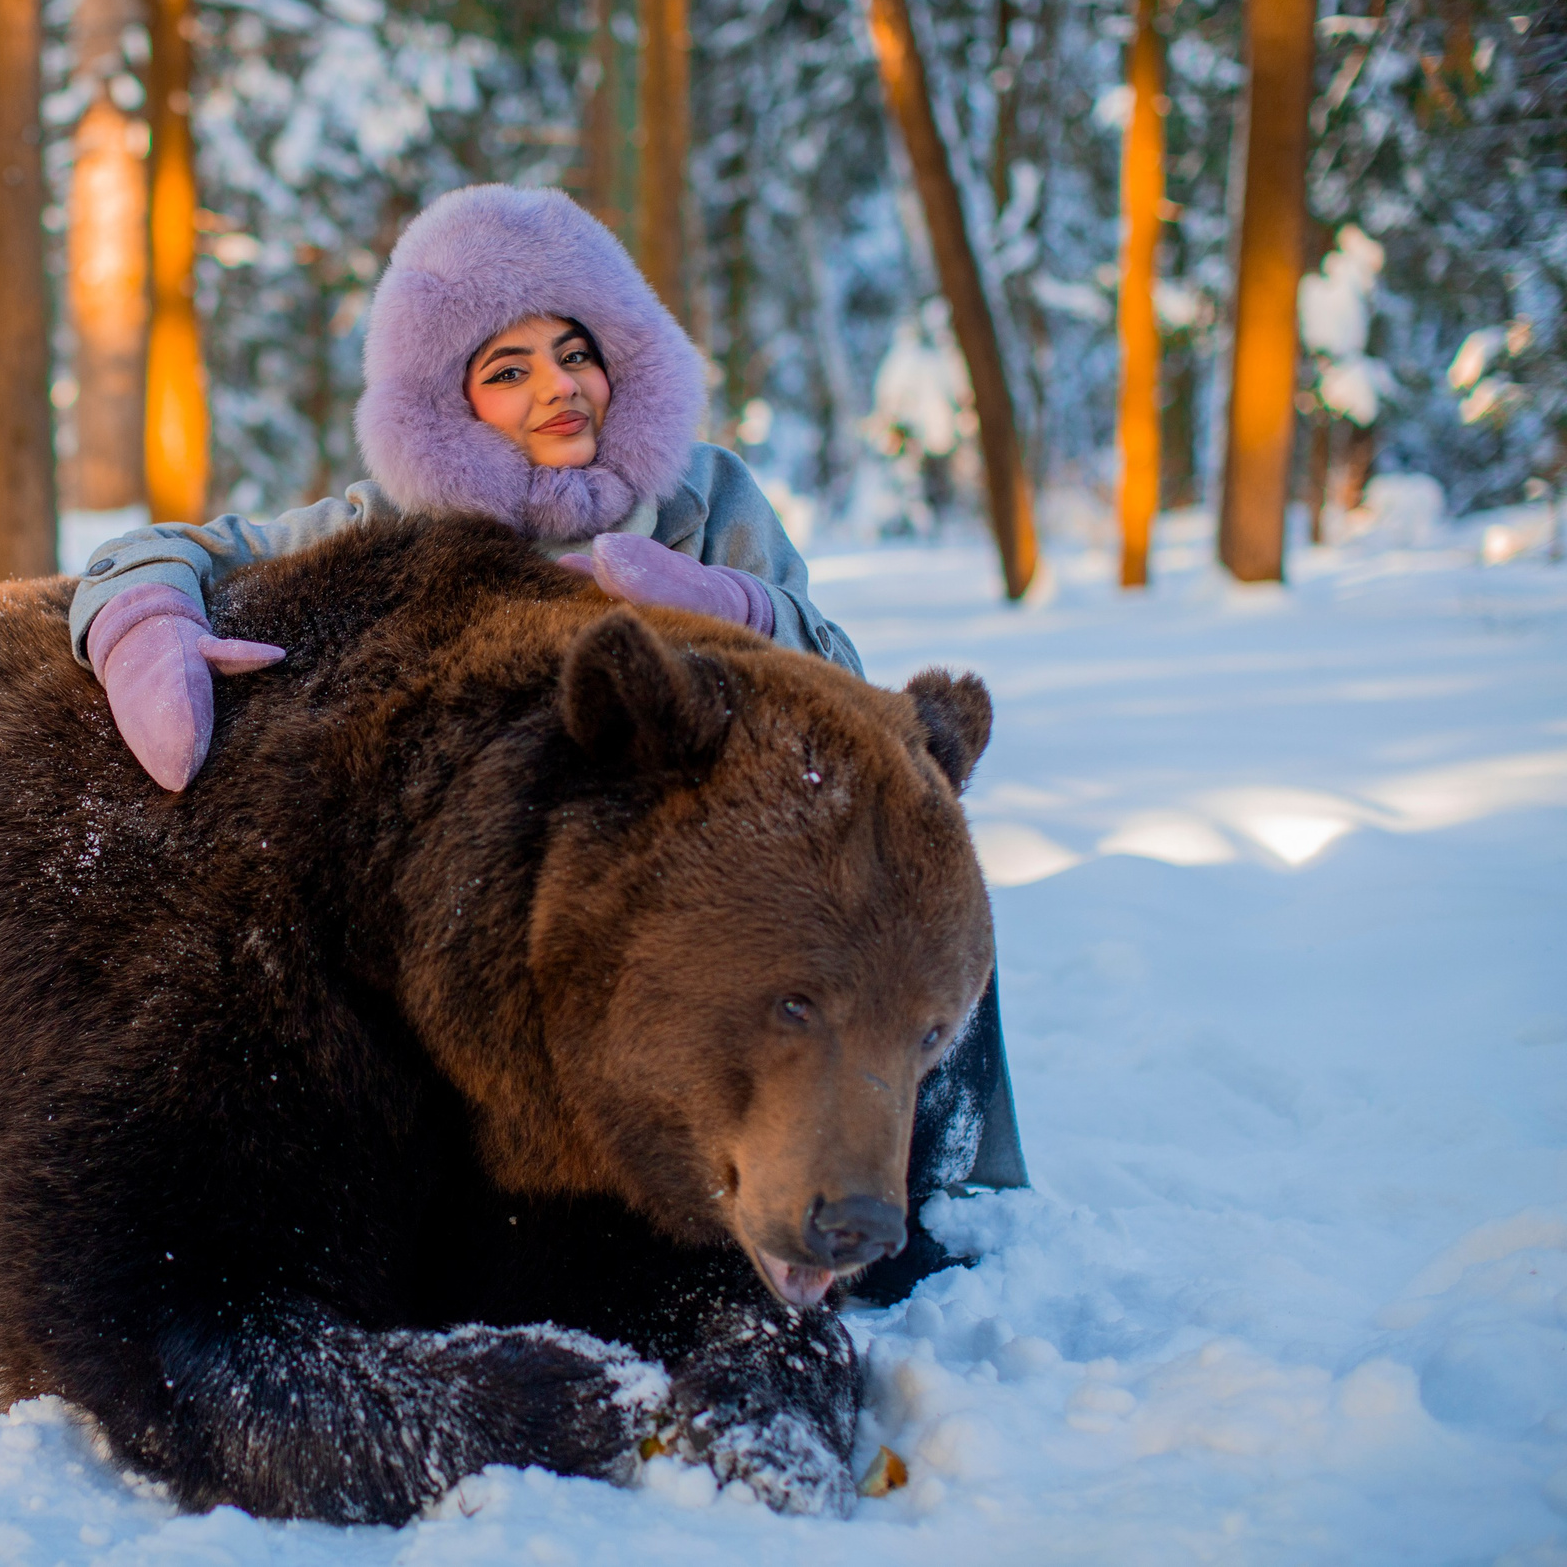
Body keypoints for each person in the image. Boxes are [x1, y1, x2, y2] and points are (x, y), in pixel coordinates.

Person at [70, 183, 1026, 1296]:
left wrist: (739, 604)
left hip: (746, 858)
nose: (555, 388)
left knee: (912, 914)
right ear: (448, 404)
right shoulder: (389, 523)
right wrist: (144, 619)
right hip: (523, 879)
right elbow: (175, 548)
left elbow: (840, 685)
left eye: (574, 352)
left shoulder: (704, 497)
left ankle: (954, 1184)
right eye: (506, 369)